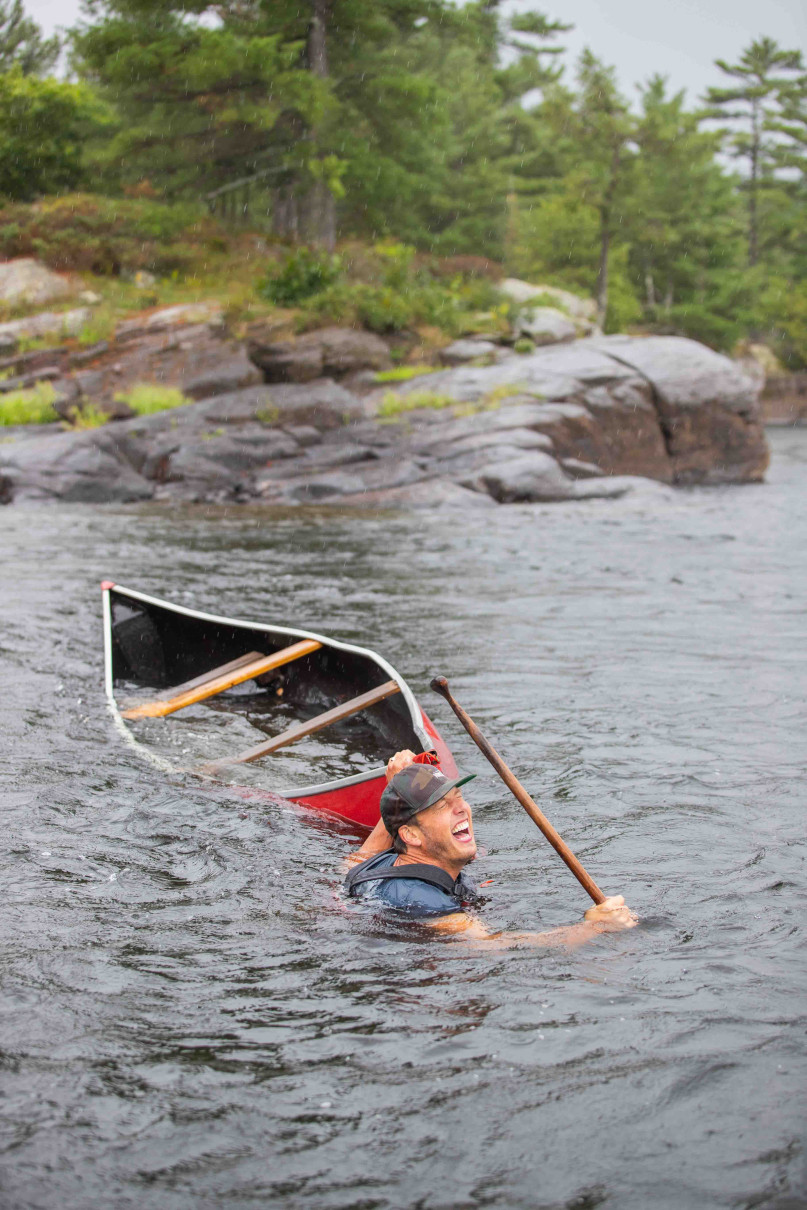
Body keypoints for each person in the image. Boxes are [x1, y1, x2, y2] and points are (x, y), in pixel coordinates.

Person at [344, 749, 637, 947]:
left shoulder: (374, 863)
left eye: (459, 796)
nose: (462, 808)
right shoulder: (421, 900)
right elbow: (494, 946)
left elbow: (355, 862)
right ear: (411, 835)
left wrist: (399, 787)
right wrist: (594, 929)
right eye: (443, 805)